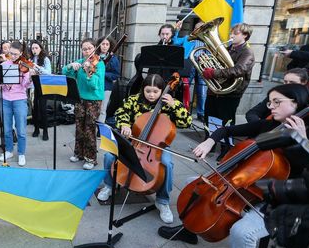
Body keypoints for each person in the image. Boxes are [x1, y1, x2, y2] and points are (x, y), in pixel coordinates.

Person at [160, 84, 309, 248]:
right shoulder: (269, 126)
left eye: (277, 102)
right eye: (269, 102)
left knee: (243, 231)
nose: (270, 107)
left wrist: (303, 140)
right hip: (248, 186)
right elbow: (227, 130)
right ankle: (191, 229)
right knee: (195, 185)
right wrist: (210, 140)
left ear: (296, 104)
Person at [97, 74, 192, 224]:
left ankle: (162, 200)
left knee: (166, 164)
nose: (152, 95)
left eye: (155, 91)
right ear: (143, 89)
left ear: (162, 91)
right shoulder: (134, 100)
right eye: (148, 91)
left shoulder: (171, 103)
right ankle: (109, 185)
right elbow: (120, 112)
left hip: (157, 147)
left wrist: (175, 105)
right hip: (135, 141)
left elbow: (186, 122)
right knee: (110, 156)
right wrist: (125, 125)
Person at [202, 22, 255, 158]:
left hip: (231, 93)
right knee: (210, 119)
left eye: (235, 33)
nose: (231, 35)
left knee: (226, 122)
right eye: (232, 32)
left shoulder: (247, 52)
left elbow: (239, 70)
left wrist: (214, 73)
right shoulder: (227, 48)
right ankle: (209, 144)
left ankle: (227, 149)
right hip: (215, 91)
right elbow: (217, 64)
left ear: (245, 35)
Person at [62, 38, 105, 170]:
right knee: (79, 127)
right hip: (80, 99)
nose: (87, 51)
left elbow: (94, 86)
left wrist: (88, 72)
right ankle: (78, 153)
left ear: (95, 49)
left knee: (89, 128)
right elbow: (65, 73)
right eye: (84, 49)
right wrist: (70, 66)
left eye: (89, 48)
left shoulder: (99, 64)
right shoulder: (81, 62)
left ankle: (91, 158)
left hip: (94, 100)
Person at [0, 41, 32, 166]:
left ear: (21, 53)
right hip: (6, 100)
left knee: (21, 129)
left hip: (20, 99)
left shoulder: (24, 65)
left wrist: (29, 77)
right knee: (7, 128)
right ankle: (9, 150)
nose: (13, 56)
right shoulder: (4, 65)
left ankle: (21, 153)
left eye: (16, 54)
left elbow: (26, 85)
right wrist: (4, 83)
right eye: (11, 53)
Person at [245, 68, 309, 122]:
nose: (287, 85)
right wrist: (259, 126)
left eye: (292, 82)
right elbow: (252, 113)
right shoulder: (276, 95)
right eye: (285, 82)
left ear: (304, 82)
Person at [173, 20, 207, 121]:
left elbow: (210, 53)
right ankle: (183, 111)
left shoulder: (207, 41)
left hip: (202, 66)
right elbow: (175, 42)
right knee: (184, 88)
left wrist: (205, 57)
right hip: (189, 64)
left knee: (202, 90)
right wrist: (176, 31)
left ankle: (201, 113)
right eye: (197, 28)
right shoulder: (187, 38)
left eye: (201, 28)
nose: (198, 30)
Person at [29, 40, 52, 140]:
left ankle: (45, 131)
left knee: (42, 109)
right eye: (33, 48)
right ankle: (36, 129)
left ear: (40, 48)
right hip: (33, 86)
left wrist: (38, 68)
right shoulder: (30, 59)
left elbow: (49, 73)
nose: (34, 50)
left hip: (43, 86)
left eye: (36, 48)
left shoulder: (45, 59)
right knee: (35, 109)